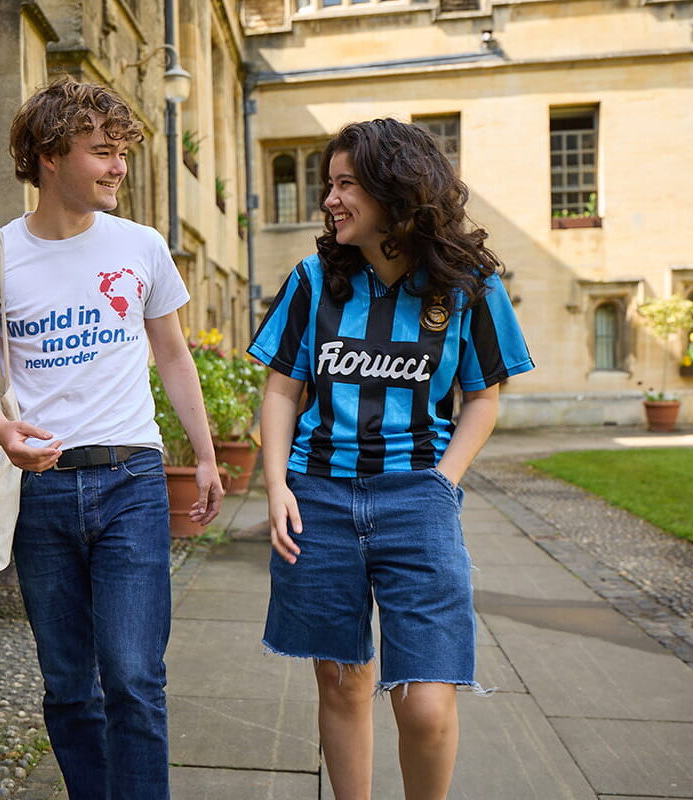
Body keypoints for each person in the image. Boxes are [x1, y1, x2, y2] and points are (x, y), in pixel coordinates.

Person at [0, 77, 223, 800]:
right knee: (69, 685)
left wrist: (206, 453)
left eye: (121, 151)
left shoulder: (142, 245)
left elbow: (173, 354)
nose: (119, 167)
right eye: (102, 152)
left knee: (133, 676)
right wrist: (4, 431)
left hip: (131, 479)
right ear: (46, 155)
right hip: (43, 487)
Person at [249, 118, 534, 800]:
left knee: (427, 704)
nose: (329, 201)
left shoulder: (470, 284)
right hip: (317, 498)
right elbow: (282, 389)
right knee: (343, 682)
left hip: (418, 501)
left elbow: (483, 399)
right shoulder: (313, 281)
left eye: (346, 184)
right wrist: (276, 487)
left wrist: (443, 482)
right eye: (329, 185)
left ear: (393, 188)